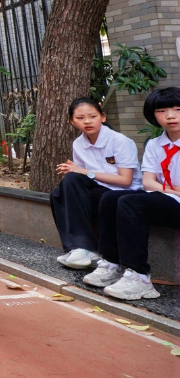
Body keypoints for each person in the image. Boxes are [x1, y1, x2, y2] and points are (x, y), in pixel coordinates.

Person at [97, 87, 180, 301]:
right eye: (161, 111)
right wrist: (173, 190)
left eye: (178, 109)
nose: (170, 116)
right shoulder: (155, 144)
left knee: (131, 203)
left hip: (171, 202)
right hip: (168, 199)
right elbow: (148, 183)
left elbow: (153, 185)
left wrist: (164, 189)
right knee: (110, 198)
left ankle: (140, 278)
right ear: (153, 115)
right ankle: (112, 263)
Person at [49, 98, 139, 271]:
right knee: (59, 192)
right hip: (98, 189)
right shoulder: (78, 143)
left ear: (102, 117)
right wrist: (75, 172)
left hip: (123, 191)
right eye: (80, 118)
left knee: (74, 182)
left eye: (92, 116)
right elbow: (80, 176)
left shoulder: (120, 141)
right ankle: (78, 249)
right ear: (72, 121)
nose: (87, 121)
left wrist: (84, 172)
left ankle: (84, 248)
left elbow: (125, 180)